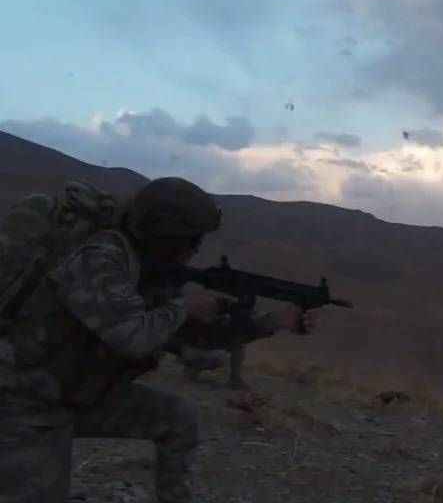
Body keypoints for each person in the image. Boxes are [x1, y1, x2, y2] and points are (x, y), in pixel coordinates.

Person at [0, 177, 317, 503]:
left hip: (75, 395)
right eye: (190, 240)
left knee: (177, 419)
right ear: (164, 236)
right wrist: (184, 307)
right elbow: (133, 336)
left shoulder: (147, 269)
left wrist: (272, 323)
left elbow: (191, 338)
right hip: (26, 403)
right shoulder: (100, 257)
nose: (194, 250)